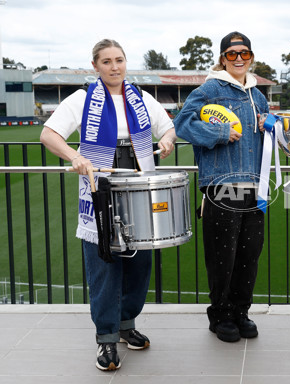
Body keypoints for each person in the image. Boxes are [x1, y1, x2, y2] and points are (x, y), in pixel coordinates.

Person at [40, 39, 177, 371]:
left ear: (125, 63)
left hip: (139, 177)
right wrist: (75, 156)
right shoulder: (82, 99)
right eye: (106, 61)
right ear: (95, 66)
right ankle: (106, 338)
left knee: (139, 260)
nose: (114, 66)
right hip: (99, 179)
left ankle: (126, 325)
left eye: (119, 60)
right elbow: (49, 134)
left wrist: (167, 140)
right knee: (104, 262)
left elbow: (168, 128)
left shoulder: (141, 98)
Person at [174, 31, 269, 343]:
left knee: (249, 254)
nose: (239, 59)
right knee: (222, 257)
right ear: (222, 58)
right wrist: (218, 133)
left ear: (251, 56)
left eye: (244, 53)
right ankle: (221, 315)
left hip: (254, 188)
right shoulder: (211, 88)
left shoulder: (258, 95)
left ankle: (241, 311)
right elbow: (183, 123)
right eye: (232, 54)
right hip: (221, 185)